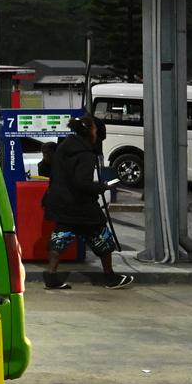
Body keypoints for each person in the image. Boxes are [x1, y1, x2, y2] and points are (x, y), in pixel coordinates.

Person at [42, 116, 133, 289]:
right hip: (81, 205)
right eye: (97, 131)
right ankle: (110, 277)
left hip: (61, 203)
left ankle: (51, 276)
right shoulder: (85, 154)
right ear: (91, 132)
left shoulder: (64, 147)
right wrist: (102, 187)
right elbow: (82, 182)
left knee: (60, 237)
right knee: (101, 236)